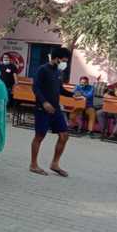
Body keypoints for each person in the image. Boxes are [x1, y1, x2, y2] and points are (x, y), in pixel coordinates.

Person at [29, 47, 82, 177]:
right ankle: (33, 164)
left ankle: (55, 164)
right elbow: (35, 88)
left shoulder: (58, 72)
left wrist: (72, 95)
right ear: (56, 58)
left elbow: (60, 89)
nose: (65, 63)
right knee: (39, 136)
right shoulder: (42, 70)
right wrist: (44, 103)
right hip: (42, 109)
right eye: (64, 60)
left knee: (64, 135)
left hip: (56, 109)